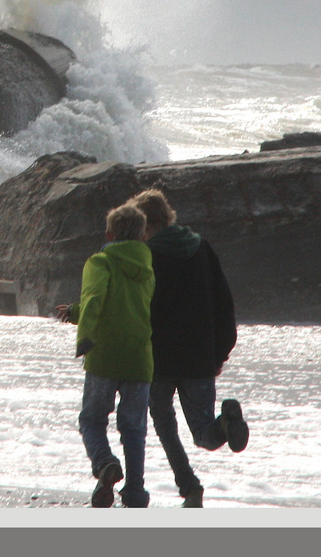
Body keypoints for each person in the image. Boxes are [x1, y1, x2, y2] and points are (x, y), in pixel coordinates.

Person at [131, 187, 247, 508]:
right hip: (199, 356)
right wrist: (221, 352)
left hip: (160, 358)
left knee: (163, 421)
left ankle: (190, 487)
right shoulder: (201, 248)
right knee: (203, 433)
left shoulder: (147, 256)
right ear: (167, 214)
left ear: (143, 223)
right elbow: (224, 303)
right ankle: (226, 424)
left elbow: (139, 310)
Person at [72, 201, 156, 508]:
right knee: (134, 428)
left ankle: (105, 465)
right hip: (139, 358)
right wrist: (73, 313)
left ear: (109, 233)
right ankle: (134, 491)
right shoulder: (147, 267)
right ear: (143, 236)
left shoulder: (101, 261)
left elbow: (96, 299)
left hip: (104, 354)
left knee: (92, 420)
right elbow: (130, 306)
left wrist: (84, 336)